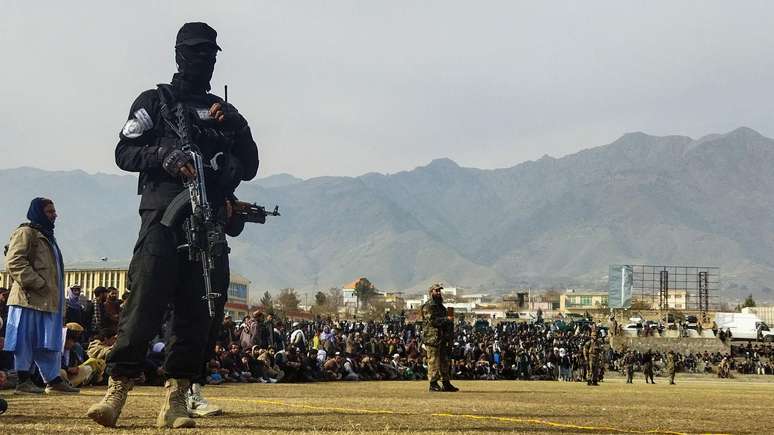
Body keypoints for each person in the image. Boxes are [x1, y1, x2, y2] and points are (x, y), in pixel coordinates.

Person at [87, 22, 259, 429]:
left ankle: (178, 397)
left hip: (209, 223)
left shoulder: (222, 113)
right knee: (144, 302)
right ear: (180, 54)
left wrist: (237, 126)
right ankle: (117, 391)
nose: (205, 60)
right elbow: (124, 150)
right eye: (197, 53)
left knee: (199, 313)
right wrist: (163, 155)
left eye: (211, 54)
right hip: (163, 218)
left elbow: (249, 166)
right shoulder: (154, 101)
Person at [3, 197, 79, 394]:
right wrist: (38, 283)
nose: (54, 215)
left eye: (54, 211)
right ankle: (23, 380)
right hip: (27, 301)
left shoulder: (47, 237)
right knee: (24, 341)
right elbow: (14, 262)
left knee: (48, 342)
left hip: (47, 302)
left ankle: (53, 380)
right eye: (49, 212)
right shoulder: (26, 233)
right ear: (38, 212)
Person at [421, 283, 457, 392]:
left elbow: (446, 322)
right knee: (433, 361)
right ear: (431, 292)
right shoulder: (428, 306)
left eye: (439, 291)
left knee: (444, 361)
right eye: (436, 291)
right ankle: (433, 383)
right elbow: (432, 321)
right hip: (432, 338)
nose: (438, 293)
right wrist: (447, 319)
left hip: (442, 338)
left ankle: (445, 382)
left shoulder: (441, 307)